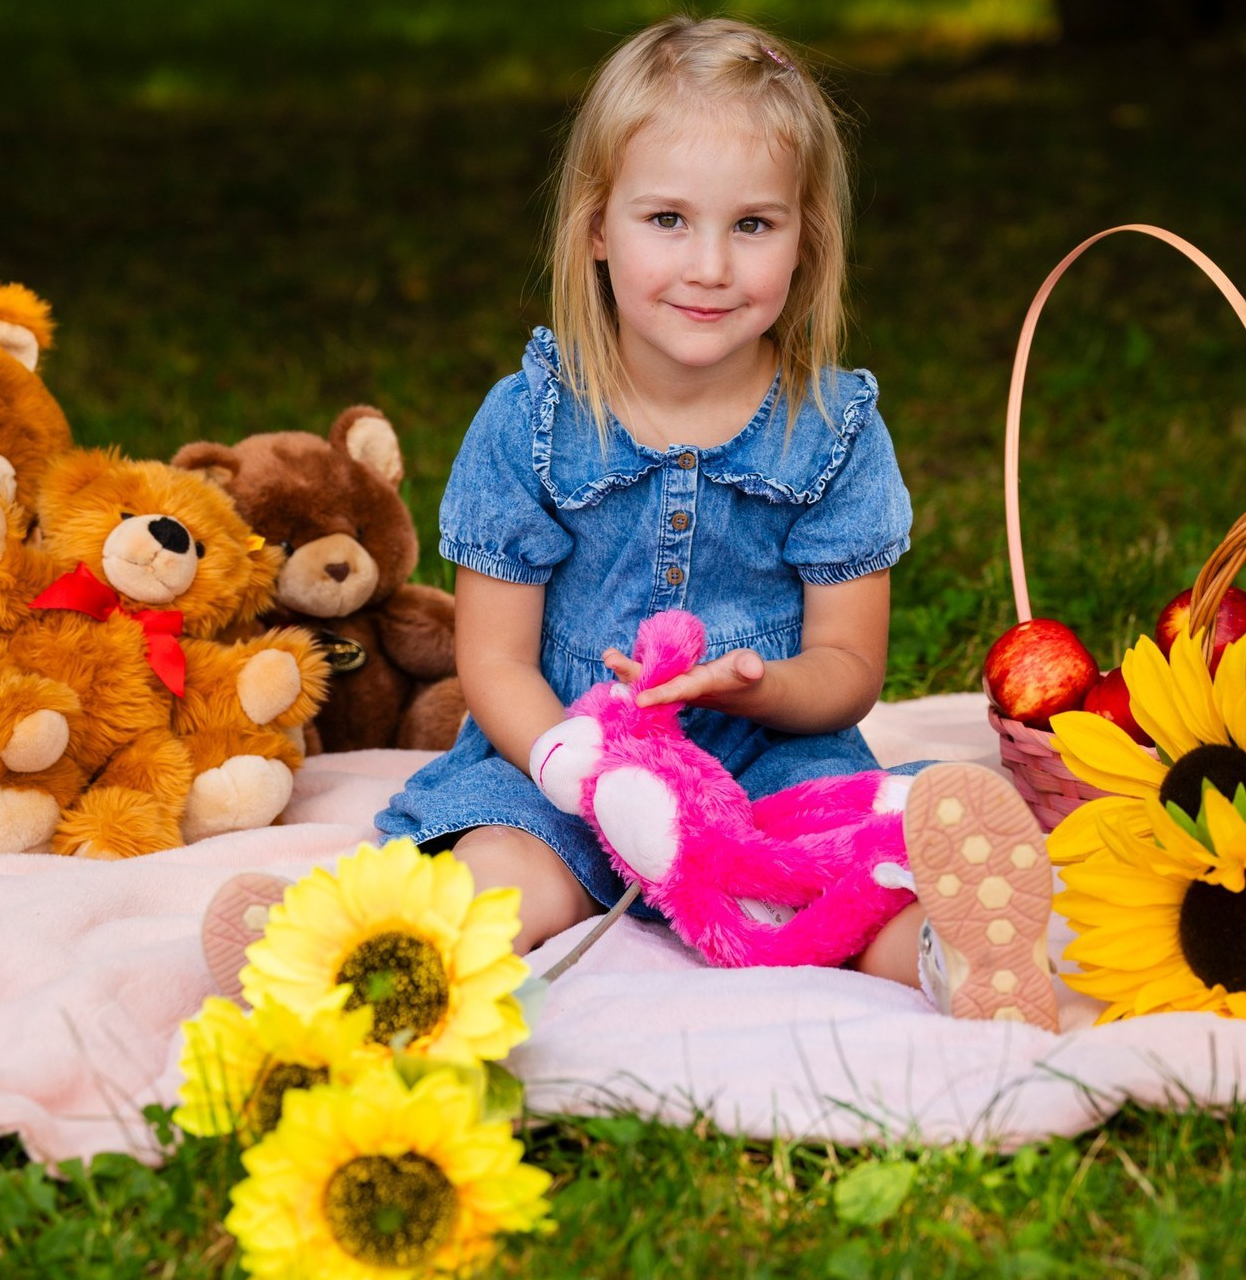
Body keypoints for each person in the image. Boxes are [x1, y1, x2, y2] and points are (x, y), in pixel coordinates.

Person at [203, 15, 1058, 1032]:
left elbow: (847, 666)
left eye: (752, 225)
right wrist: (582, 768)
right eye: (666, 219)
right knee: (506, 869)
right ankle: (359, 959)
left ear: (806, 237)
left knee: (822, 881)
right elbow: (496, 664)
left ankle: (952, 957)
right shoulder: (531, 421)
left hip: (761, 757)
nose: (708, 265)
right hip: (559, 749)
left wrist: (766, 684)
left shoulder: (829, 432)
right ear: (596, 227)